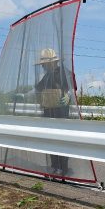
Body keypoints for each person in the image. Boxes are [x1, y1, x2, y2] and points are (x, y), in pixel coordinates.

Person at [35, 48, 71, 176]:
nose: (44, 66)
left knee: (61, 139)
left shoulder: (63, 72)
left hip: (61, 110)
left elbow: (71, 86)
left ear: (52, 62)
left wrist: (68, 95)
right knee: (51, 139)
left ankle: (63, 167)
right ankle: (54, 165)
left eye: (45, 64)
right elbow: (38, 88)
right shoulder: (47, 75)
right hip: (48, 110)